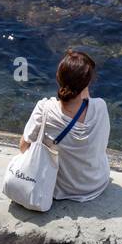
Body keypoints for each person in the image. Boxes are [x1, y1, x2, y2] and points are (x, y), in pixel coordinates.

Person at [19, 50, 111, 202]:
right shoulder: (100, 106)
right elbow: (86, 104)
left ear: (58, 78)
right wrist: (84, 86)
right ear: (87, 83)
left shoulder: (44, 109)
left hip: (60, 190)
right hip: (96, 184)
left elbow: (23, 148)